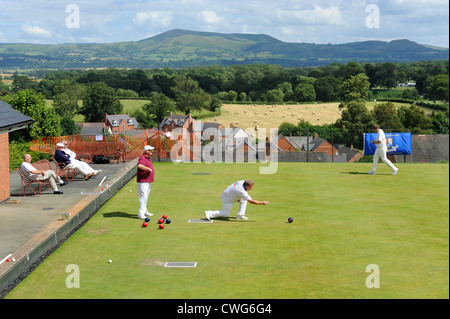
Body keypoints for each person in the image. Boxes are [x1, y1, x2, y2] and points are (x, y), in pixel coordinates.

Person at [137, 145, 155, 220]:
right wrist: (148, 169)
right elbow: (140, 166)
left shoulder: (148, 158)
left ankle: (145, 210)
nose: (152, 151)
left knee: (146, 197)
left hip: (148, 180)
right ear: (146, 151)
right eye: (150, 150)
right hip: (143, 181)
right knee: (143, 197)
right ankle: (141, 214)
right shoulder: (142, 158)